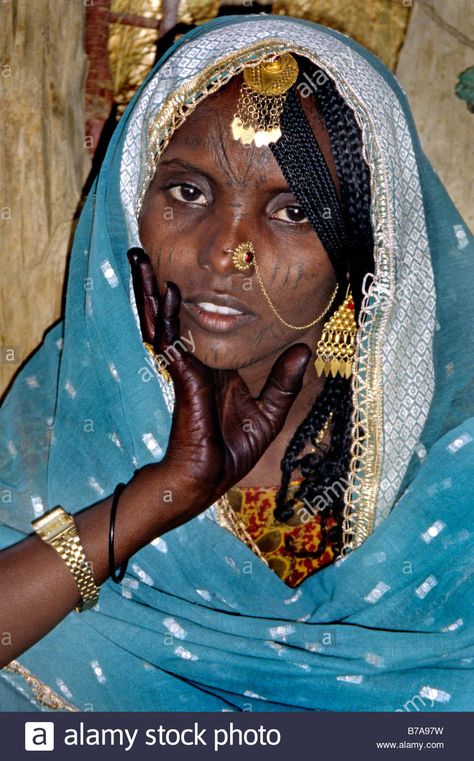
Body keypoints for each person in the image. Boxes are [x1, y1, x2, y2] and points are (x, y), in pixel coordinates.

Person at [0, 14, 472, 712]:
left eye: (291, 211)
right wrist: (163, 493)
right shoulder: (68, 410)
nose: (227, 250)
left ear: (365, 248)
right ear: (134, 205)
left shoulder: (448, 469)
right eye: (188, 193)